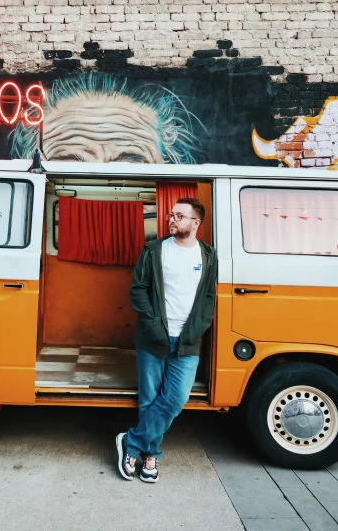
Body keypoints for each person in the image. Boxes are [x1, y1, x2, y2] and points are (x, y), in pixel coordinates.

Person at [116, 197, 218, 483]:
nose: (171, 219)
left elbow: (209, 297)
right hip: (152, 338)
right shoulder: (154, 250)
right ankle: (151, 456)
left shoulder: (209, 256)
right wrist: (151, 324)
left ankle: (131, 443)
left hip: (188, 341)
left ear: (195, 223)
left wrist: (198, 328)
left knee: (175, 399)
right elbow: (138, 290)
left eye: (179, 216)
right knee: (149, 399)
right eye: (171, 214)